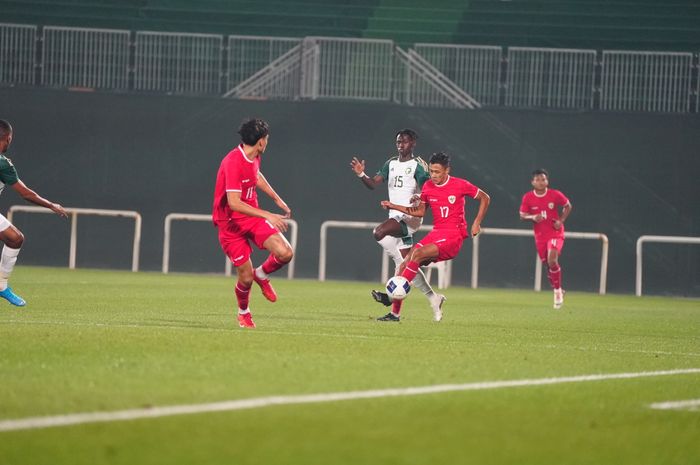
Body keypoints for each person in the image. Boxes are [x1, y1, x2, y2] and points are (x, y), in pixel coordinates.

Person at [375, 152, 490, 322]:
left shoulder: (460, 185)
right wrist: (394, 206)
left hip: (453, 236)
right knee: (405, 263)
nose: (434, 175)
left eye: (437, 171)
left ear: (447, 170)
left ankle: (392, 297)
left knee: (417, 255)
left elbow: (485, 198)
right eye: (431, 171)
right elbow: (420, 211)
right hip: (437, 232)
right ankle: (395, 314)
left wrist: (476, 223)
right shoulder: (428, 186)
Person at [350, 129, 446, 321]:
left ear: (413, 144)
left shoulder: (418, 165)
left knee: (378, 232)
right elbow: (373, 183)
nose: (401, 145)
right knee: (407, 264)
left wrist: (419, 197)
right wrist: (362, 175)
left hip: (410, 217)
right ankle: (431, 298)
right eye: (398, 142)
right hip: (396, 215)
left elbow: (429, 189)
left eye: (404, 142)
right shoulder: (391, 163)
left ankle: (393, 294)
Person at [212, 118, 294, 328]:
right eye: (266, 139)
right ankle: (244, 312)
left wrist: (277, 199)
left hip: (252, 217)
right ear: (260, 142)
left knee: (285, 253)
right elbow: (234, 203)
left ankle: (262, 274)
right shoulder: (232, 162)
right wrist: (268, 214)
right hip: (230, 223)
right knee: (245, 278)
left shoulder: (254, 156)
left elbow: (255, 176)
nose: (267, 143)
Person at [0, 119, 67, 307]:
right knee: (15, 239)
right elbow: (26, 193)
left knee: (14, 238)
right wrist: (51, 205)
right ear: (8, 138)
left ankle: (1, 285)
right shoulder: (3, 164)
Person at [519, 168, 572, 309]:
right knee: (548, 265)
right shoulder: (528, 197)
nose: (541, 182)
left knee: (552, 259)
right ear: (532, 182)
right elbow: (522, 215)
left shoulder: (555, 194)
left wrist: (561, 220)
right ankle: (559, 288)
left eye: (543, 179)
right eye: (537, 180)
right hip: (540, 236)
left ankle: (557, 292)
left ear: (547, 181)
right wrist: (532, 217)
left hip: (555, 233)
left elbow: (567, 206)